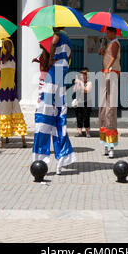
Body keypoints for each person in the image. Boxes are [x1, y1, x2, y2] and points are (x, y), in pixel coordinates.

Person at [33, 27, 76, 175]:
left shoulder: (57, 36)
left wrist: (50, 58)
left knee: (43, 118)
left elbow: (53, 43)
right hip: (61, 77)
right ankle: (61, 159)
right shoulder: (69, 41)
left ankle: (40, 158)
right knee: (59, 121)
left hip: (53, 78)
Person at [0, 38, 27, 148]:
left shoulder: (7, 51)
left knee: (9, 111)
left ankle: (14, 139)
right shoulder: (4, 59)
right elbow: (2, 70)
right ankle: (8, 139)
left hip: (8, 89)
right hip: (6, 87)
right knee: (8, 111)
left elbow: (8, 52)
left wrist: (5, 56)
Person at [98, 27, 121, 158]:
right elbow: (109, 56)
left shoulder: (115, 43)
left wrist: (107, 67)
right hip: (106, 74)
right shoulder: (110, 44)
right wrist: (102, 53)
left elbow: (113, 57)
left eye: (108, 32)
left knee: (110, 108)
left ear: (113, 32)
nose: (106, 34)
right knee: (103, 109)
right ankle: (106, 144)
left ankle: (111, 145)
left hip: (111, 74)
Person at [74, 68, 93, 137]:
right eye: (81, 75)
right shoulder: (79, 82)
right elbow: (75, 90)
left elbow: (86, 90)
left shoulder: (89, 82)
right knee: (79, 117)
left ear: (86, 76)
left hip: (87, 102)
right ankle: (80, 132)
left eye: (83, 75)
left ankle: (87, 133)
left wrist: (81, 83)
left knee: (86, 118)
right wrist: (76, 84)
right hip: (79, 102)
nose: (81, 76)